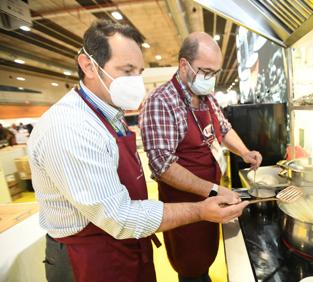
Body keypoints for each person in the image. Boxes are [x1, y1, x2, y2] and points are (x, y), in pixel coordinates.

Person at [27, 20, 248, 282]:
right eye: (127, 70)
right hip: (88, 258)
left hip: (126, 243)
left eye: (139, 72)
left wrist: (244, 154)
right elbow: (119, 216)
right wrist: (201, 208)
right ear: (88, 65)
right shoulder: (69, 127)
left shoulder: (110, 115)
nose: (136, 82)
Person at [139, 32, 262, 282]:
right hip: (186, 209)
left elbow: (223, 129)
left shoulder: (207, 98)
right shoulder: (161, 102)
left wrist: (245, 152)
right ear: (184, 65)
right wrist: (215, 190)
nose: (210, 79)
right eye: (206, 71)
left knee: (206, 260)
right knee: (191, 269)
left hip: (211, 198)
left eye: (214, 73)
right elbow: (163, 166)